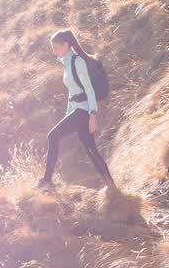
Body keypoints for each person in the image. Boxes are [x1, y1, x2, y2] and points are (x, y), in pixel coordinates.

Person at [38, 29, 117, 190]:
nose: (54, 52)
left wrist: (93, 115)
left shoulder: (77, 62)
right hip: (77, 111)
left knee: (52, 136)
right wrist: (68, 114)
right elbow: (72, 93)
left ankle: (46, 181)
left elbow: (88, 90)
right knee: (91, 150)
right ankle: (112, 187)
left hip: (83, 111)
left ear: (66, 45)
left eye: (56, 48)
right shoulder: (66, 63)